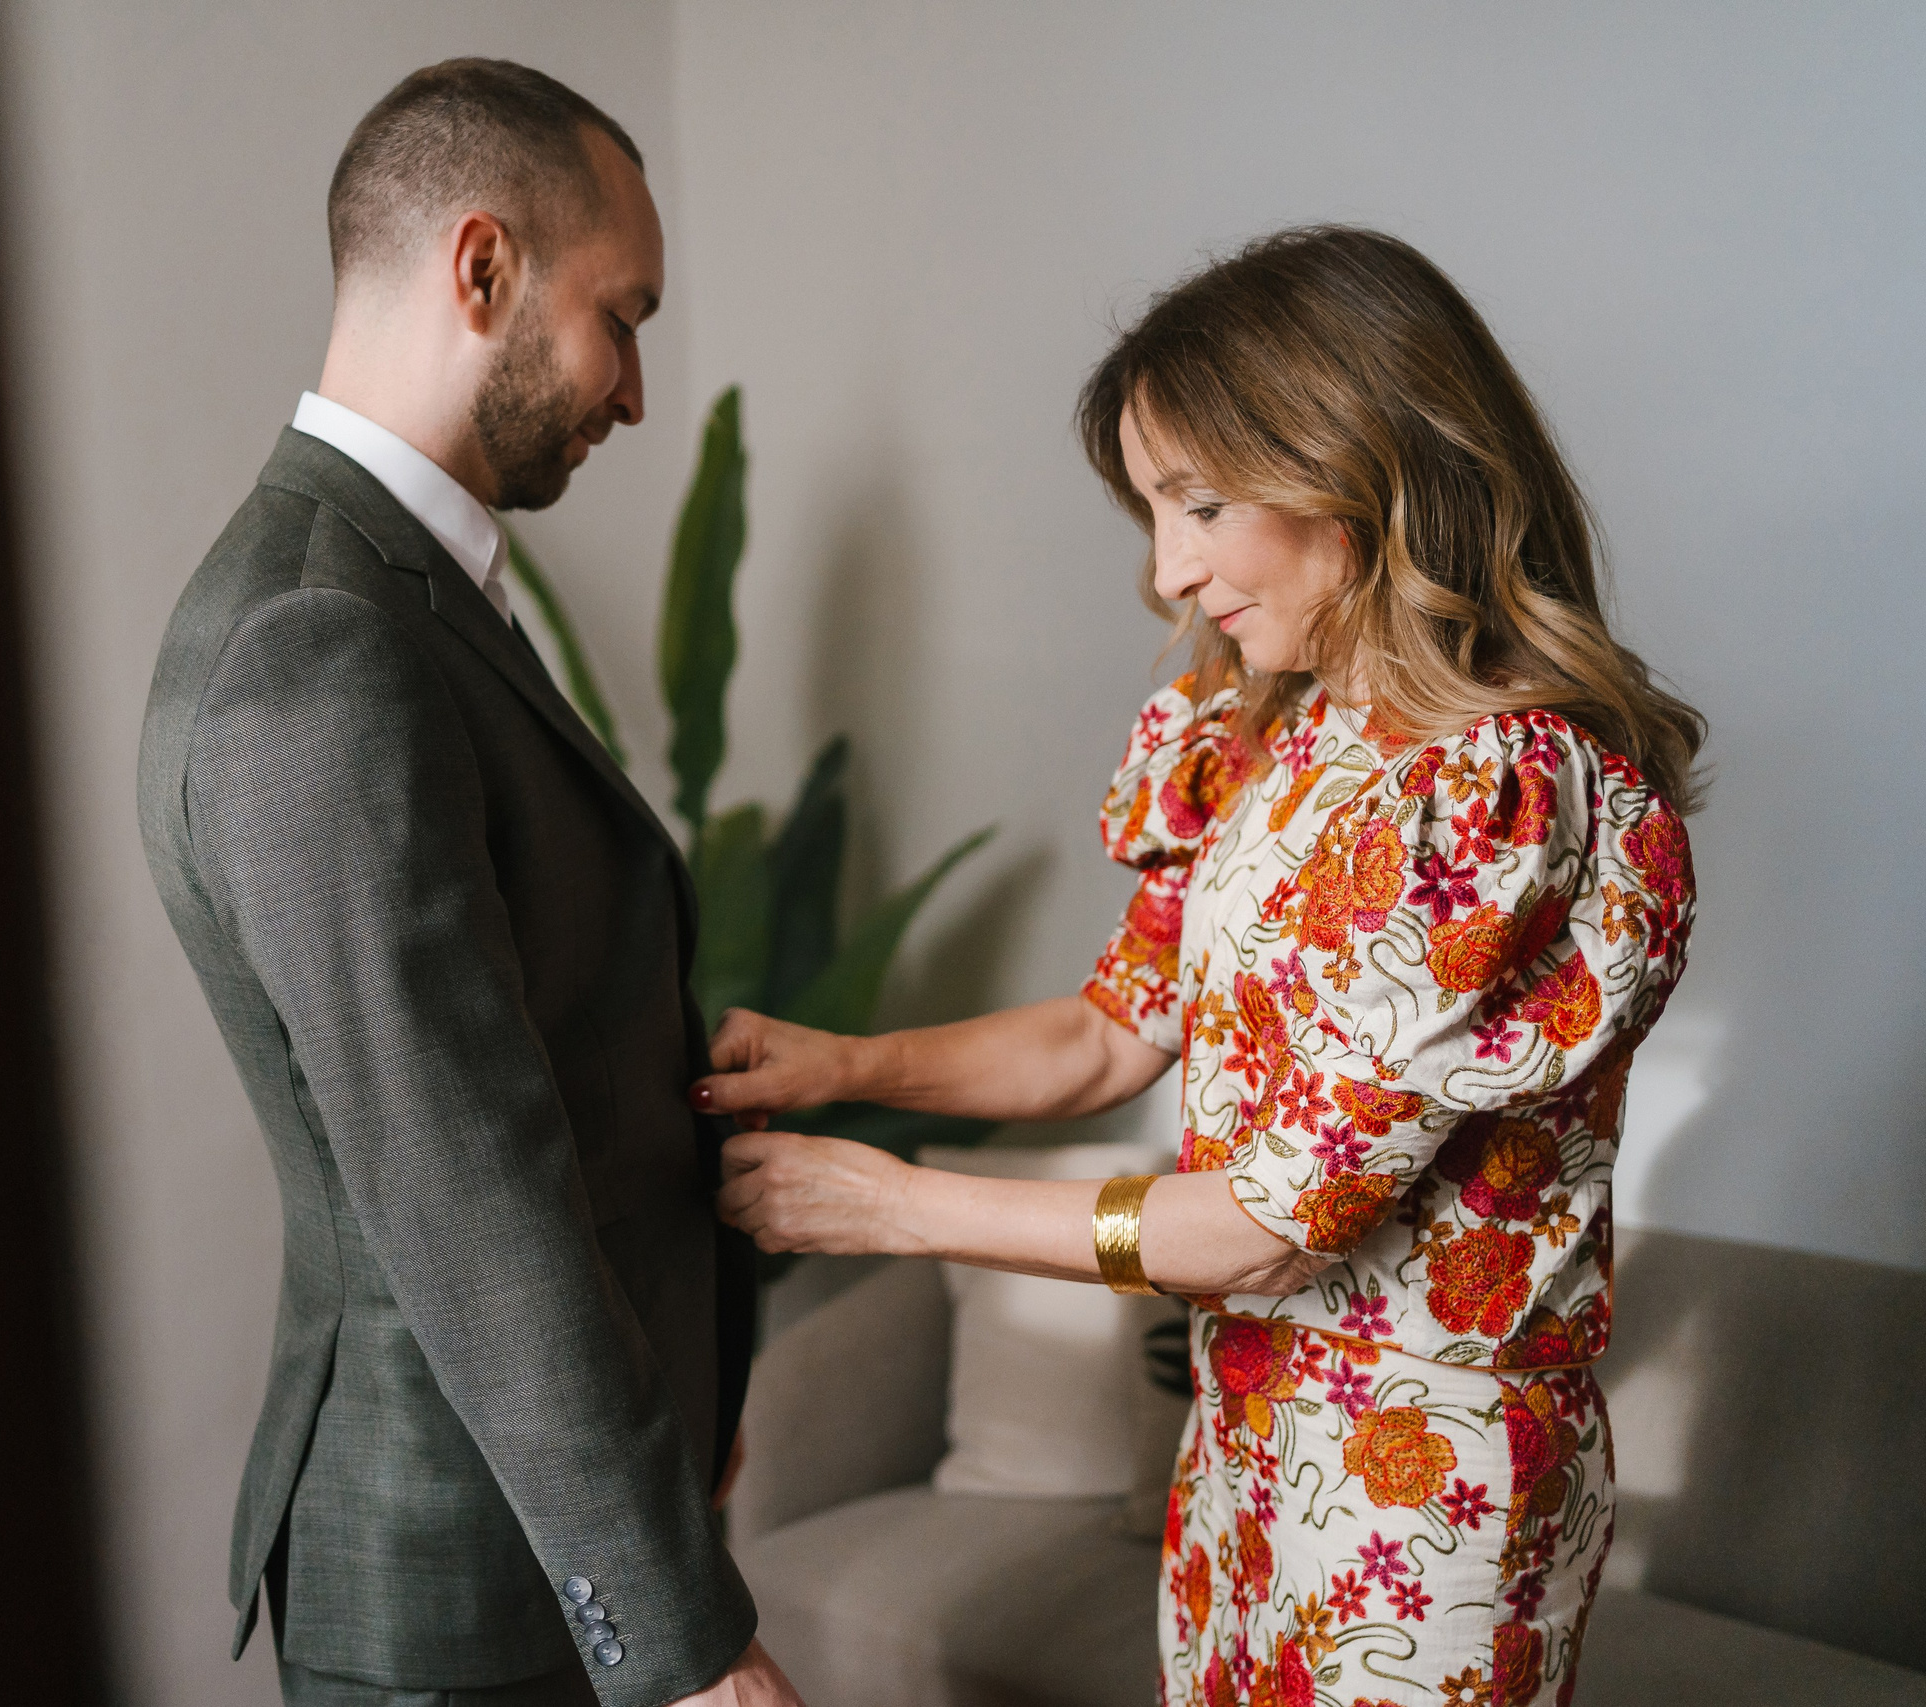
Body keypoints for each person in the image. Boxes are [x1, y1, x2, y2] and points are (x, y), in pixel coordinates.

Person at [696, 227, 1703, 1707]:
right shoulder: (1266, 740)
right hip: (1244, 1459)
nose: (1171, 570)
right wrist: (849, 1067)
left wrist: (896, 1206)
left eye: (1202, 503)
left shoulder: (1495, 792)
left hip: (1422, 1508)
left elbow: (1270, 1226)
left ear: (1361, 460)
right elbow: (1109, 1034)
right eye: (1153, 510)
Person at [138, 59, 801, 1707]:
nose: (636, 390)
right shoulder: (317, 640)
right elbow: (456, 1177)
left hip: (546, 1519)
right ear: (484, 267)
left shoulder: (401, 587)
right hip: (456, 1569)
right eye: (622, 316)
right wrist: (685, 1638)